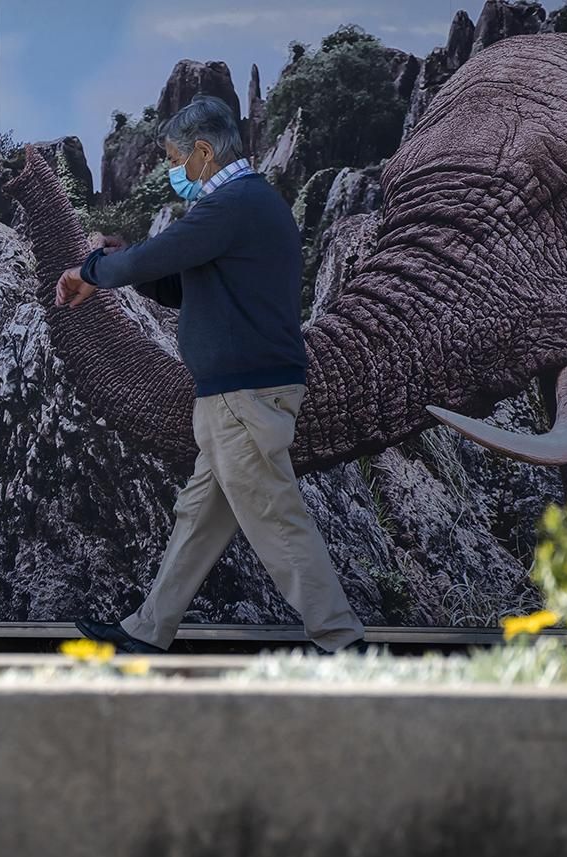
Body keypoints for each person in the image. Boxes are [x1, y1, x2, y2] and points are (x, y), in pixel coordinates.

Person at [58, 95, 365, 656]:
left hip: (242, 395)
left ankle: (345, 644)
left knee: (276, 520)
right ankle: (147, 631)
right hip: (235, 396)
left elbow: (159, 256)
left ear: (203, 152)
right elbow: (178, 284)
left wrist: (93, 268)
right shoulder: (248, 207)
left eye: (176, 158)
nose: (173, 171)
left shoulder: (234, 203)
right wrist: (123, 263)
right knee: (198, 520)